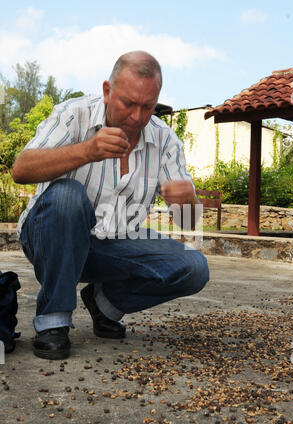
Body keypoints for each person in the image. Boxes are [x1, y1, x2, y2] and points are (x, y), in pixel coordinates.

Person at [12, 51, 209, 360]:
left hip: (112, 245)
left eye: (147, 107)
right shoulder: (73, 114)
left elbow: (189, 221)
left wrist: (186, 201)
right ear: (107, 91)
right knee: (67, 195)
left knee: (194, 268)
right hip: (48, 237)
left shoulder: (165, 139)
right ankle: (53, 320)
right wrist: (87, 151)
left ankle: (104, 303)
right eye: (128, 104)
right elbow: (21, 169)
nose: (136, 117)